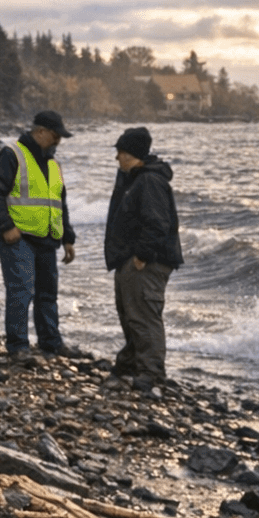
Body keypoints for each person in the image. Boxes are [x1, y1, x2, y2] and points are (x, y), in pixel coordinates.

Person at [0, 110, 82, 363]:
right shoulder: (11, 155)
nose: (58, 142)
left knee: (48, 294)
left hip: (47, 240)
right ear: (40, 132)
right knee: (21, 291)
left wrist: (68, 237)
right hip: (18, 238)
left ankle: (51, 344)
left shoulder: (53, 164)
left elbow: (59, 203)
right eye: (56, 136)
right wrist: (5, 227)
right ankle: (18, 347)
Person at [104, 126, 183, 384]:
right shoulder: (135, 178)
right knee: (130, 314)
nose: (117, 158)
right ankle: (131, 364)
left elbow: (158, 223)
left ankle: (151, 373)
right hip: (130, 259)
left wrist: (142, 255)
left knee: (143, 317)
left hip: (146, 262)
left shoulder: (149, 181)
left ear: (132, 154)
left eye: (121, 153)